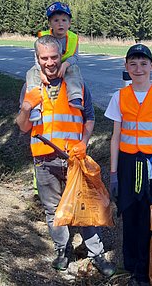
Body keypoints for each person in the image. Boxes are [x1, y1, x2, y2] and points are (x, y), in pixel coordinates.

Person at [17, 35, 115, 277]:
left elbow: (89, 117)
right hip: (45, 162)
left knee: (85, 208)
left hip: (74, 159)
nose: (50, 63)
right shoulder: (31, 87)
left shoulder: (77, 84)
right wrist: (27, 108)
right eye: (44, 58)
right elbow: (22, 127)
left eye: (54, 57)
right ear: (36, 59)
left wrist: (84, 142)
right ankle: (63, 251)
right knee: (53, 211)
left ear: (61, 57)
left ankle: (97, 254)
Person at [104, 44, 152, 285]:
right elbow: (115, 137)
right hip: (127, 165)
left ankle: (146, 271)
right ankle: (130, 265)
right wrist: (113, 174)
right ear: (126, 67)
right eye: (133, 64)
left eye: (143, 64)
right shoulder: (120, 96)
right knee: (129, 213)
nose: (138, 69)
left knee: (148, 218)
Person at [26, 1, 84, 122]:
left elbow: (75, 57)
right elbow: (37, 57)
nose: (60, 24)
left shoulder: (73, 38)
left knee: (75, 70)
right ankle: (35, 106)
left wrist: (66, 64)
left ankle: (75, 97)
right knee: (31, 73)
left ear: (69, 23)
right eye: (56, 20)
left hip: (64, 66)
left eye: (64, 20)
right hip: (46, 66)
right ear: (50, 23)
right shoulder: (43, 36)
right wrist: (41, 72)